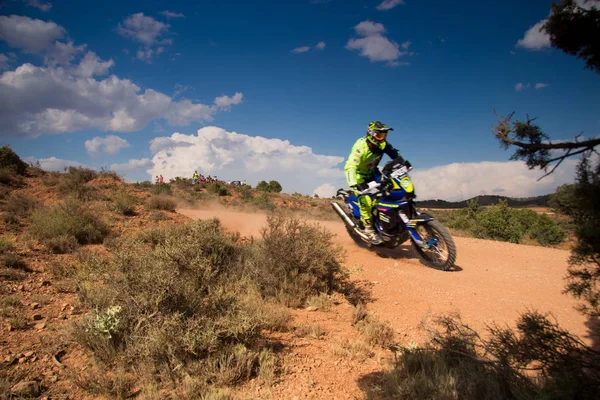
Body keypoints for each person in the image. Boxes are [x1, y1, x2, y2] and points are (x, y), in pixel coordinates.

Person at [344, 121, 410, 245]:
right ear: (371, 134)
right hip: (359, 177)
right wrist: (355, 184)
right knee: (366, 200)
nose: (382, 138)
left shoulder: (382, 145)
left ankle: (390, 223)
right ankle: (369, 230)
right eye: (379, 135)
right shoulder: (360, 147)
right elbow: (350, 166)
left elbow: (395, 154)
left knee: (391, 191)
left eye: (384, 135)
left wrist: (402, 162)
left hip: (374, 173)